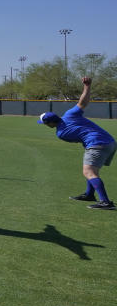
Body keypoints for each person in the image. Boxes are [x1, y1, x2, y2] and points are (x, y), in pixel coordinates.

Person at [38, 76, 115, 210]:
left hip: (96, 144)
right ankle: (89, 194)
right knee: (92, 170)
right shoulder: (70, 114)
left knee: (89, 171)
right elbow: (83, 102)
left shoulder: (61, 134)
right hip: (110, 141)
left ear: (50, 123)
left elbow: (76, 139)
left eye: (44, 123)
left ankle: (105, 202)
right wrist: (87, 86)